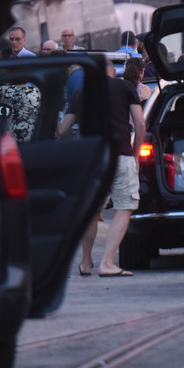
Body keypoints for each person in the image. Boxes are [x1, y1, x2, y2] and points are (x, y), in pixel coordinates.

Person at [62, 56, 147, 277]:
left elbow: (63, 130)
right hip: (120, 154)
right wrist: (136, 154)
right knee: (124, 207)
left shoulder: (81, 94)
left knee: (92, 210)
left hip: (92, 160)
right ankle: (107, 262)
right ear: (113, 72)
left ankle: (86, 263)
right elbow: (140, 123)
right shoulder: (125, 86)